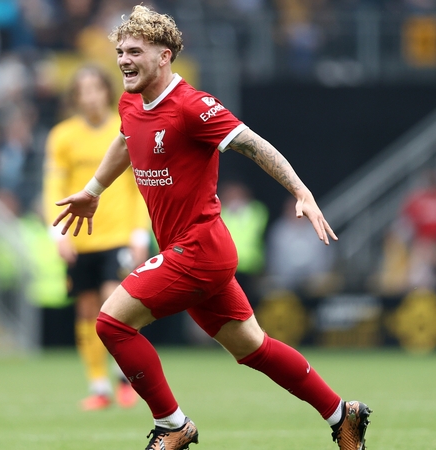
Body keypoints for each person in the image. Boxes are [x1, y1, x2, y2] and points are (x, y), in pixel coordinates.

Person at [52, 6, 371, 450]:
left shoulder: (192, 106)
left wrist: (301, 191)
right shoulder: (130, 101)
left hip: (199, 249)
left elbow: (254, 145)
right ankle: (343, 414)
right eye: (120, 51)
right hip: (193, 253)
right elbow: (125, 140)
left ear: (164, 56)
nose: (124, 60)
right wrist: (93, 188)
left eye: (135, 51)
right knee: (253, 348)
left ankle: (173, 424)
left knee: (111, 322)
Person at [44, 65, 150, 411]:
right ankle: (100, 387)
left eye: (95, 88)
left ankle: (125, 380)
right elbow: (54, 187)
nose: (90, 96)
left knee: (113, 307)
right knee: (87, 312)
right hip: (80, 237)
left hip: (118, 236)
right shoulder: (62, 136)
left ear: (107, 91)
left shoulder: (125, 129)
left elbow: (139, 186)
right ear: (75, 97)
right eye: (83, 90)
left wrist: (138, 232)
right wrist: (57, 232)